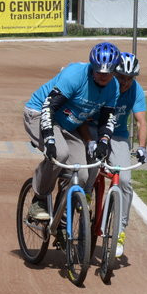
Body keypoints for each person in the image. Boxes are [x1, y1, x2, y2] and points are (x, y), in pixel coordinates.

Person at [23, 41, 121, 221]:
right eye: (98, 70)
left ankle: (62, 217)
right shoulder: (75, 75)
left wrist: (103, 141)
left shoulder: (113, 87)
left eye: (107, 73)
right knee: (60, 154)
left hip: (67, 124)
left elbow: (108, 118)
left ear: (115, 70)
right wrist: (50, 140)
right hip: (39, 113)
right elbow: (49, 107)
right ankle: (40, 199)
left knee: (83, 173)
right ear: (92, 65)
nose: (102, 76)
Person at [85, 52, 147, 258]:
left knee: (125, 181)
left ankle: (120, 230)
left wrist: (142, 147)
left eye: (130, 79)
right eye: (121, 77)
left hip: (118, 136)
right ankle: (84, 198)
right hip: (94, 129)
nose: (125, 83)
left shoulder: (135, 90)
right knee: (91, 167)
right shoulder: (105, 86)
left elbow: (141, 122)